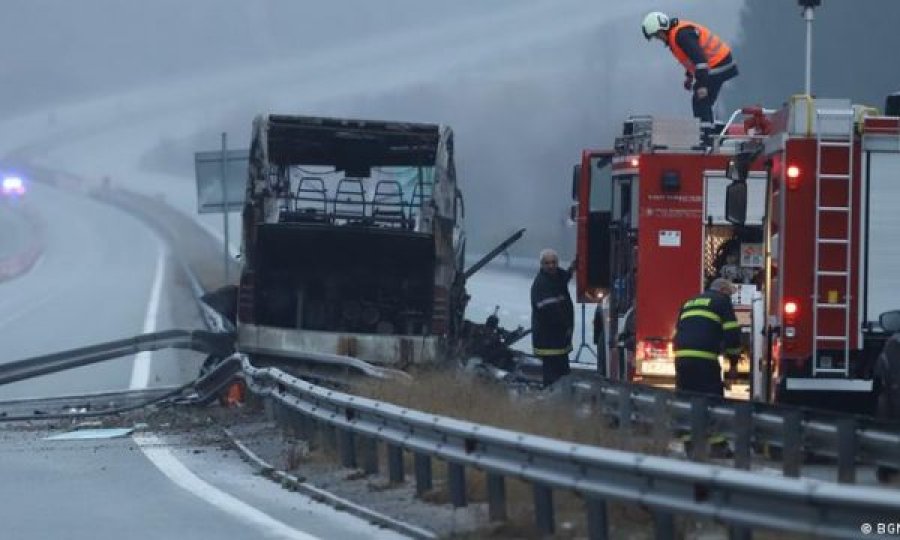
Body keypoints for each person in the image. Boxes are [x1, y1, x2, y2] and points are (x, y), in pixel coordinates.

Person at [641, 11, 739, 144]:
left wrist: (702, 85)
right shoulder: (676, 35)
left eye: (657, 35)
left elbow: (700, 60)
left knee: (701, 99)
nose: (659, 39)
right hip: (715, 64)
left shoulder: (681, 36)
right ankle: (710, 133)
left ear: (663, 29)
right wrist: (689, 76)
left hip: (718, 64)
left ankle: (708, 138)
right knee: (701, 100)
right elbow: (691, 58)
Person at [673, 278, 741, 396]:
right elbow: (732, 334)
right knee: (711, 399)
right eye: (730, 294)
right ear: (723, 290)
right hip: (704, 361)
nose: (730, 298)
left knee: (685, 398)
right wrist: (733, 364)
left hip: (681, 360)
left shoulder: (689, 302)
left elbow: (678, 330)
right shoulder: (722, 301)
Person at [531, 249, 575, 387]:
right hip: (548, 338)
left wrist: (573, 268)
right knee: (552, 376)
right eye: (547, 263)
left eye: (553, 262)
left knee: (562, 372)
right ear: (541, 265)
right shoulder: (542, 284)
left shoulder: (556, 277)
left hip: (559, 339)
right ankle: (552, 401)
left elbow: (563, 278)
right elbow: (551, 311)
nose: (551, 266)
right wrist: (565, 324)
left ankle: (561, 399)